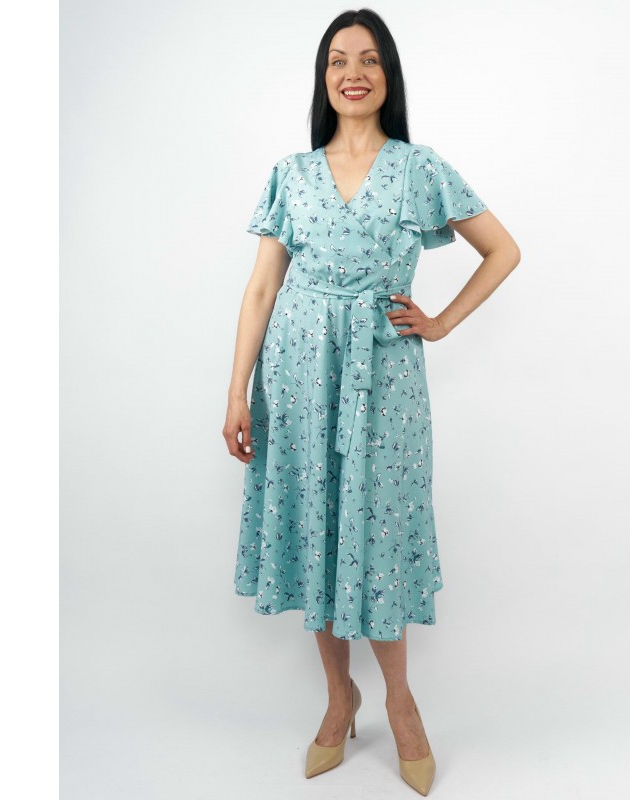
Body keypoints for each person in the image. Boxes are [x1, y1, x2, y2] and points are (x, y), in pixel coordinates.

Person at [223, 8, 520, 796]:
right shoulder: (292, 173)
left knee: (378, 533)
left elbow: (503, 250)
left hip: (384, 376)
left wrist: (441, 322)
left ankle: (400, 702)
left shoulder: (419, 169)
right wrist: (236, 392)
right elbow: (262, 289)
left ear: (388, 75)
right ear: (322, 79)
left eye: (368, 59)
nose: (352, 73)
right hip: (295, 374)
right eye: (337, 61)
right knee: (315, 527)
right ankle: (338, 698)